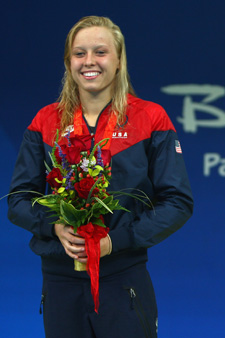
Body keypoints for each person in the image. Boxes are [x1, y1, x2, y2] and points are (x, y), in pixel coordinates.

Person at [7, 16, 194, 338]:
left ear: (119, 60)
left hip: (122, 278)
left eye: (100, 52)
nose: (89, 61)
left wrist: (114, 242)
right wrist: (54, 226)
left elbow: (177, 202)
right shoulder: (45, 120)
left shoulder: (150, 118)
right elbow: (18, 200)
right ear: (68, 62)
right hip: (60, 281)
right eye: (79, 53)